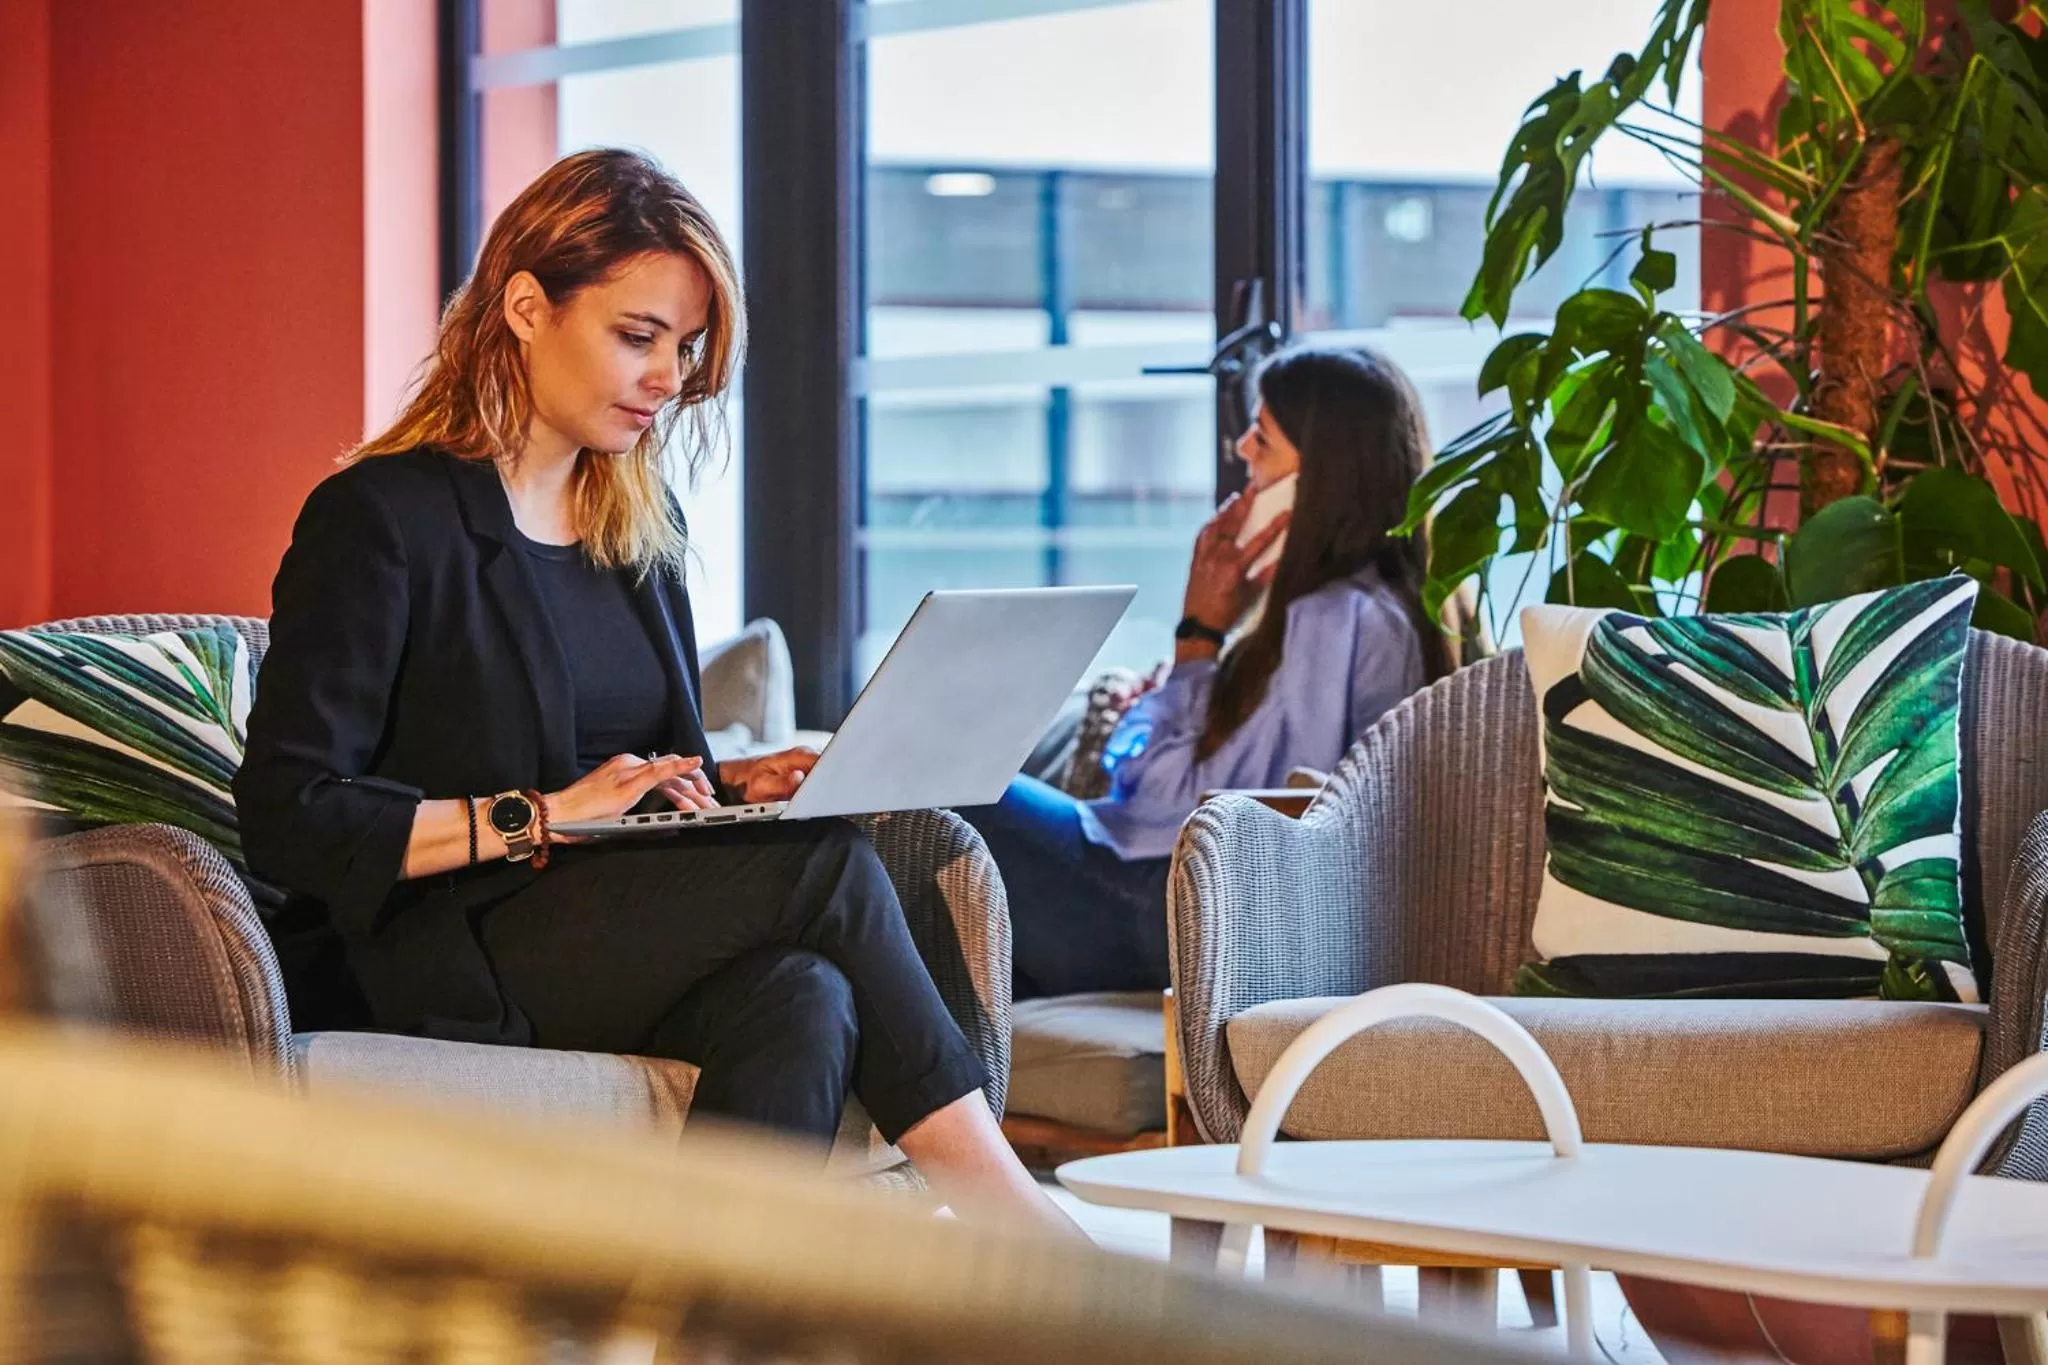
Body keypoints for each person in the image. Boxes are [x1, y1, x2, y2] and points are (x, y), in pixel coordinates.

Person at [234, 148, 1072, 1235]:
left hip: (604, 922)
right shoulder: (381, 520)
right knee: (827, 870)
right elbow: (286, 819)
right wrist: (536, 816)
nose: (667, 376)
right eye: (638, 337)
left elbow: (642, 776)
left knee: (802, 1002)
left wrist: (739, 781)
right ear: (526, 307)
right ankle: (1024, 1233)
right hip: (445, 943)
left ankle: (695, 1338)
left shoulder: (638, 531)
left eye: (681, 348)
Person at [963, 346, 1452, 1000]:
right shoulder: (1383, 611)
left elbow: (1173, 805)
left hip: (1185, 914)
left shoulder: (1333, 620)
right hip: (1196, 906)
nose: (1243, 451)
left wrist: (1199, 634)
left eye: (1264, 437)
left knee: (959, 790)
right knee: (975, 949)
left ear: (1319, 479)